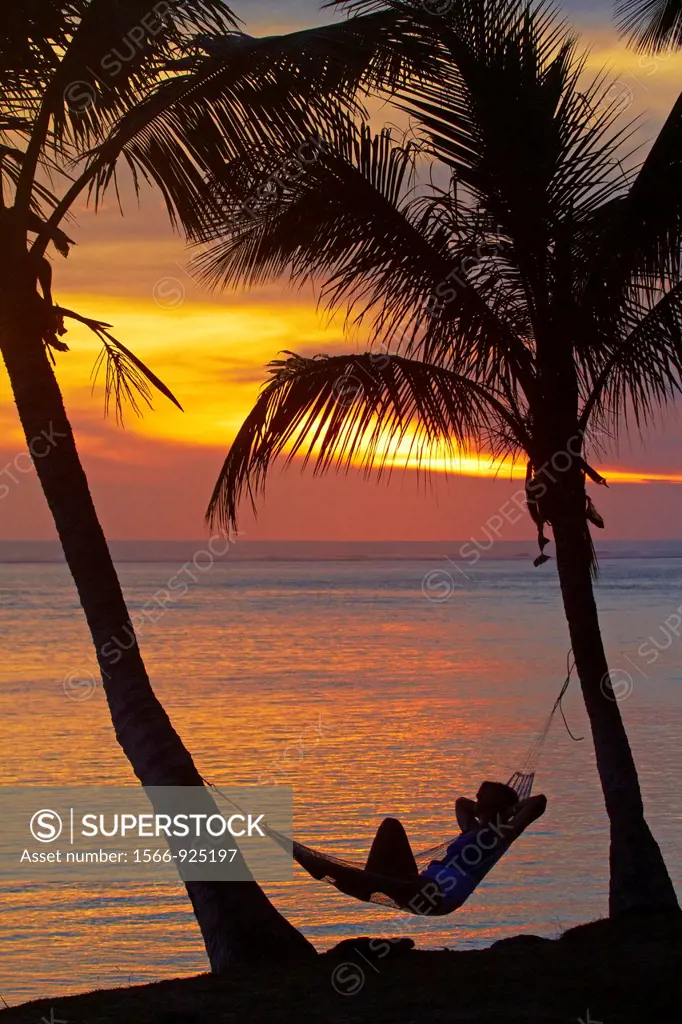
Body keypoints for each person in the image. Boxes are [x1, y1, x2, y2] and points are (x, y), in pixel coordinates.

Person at [361, 781, 547, 911]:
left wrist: (506, 811)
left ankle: (367, 881)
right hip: (417, 886)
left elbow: (539, 801)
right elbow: (461, 803)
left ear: (492, 803)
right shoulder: (471, 830)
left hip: (440, 895)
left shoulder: (502, 835)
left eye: (481, 796)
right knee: (390, 825)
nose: (476, 798)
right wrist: (486, 809)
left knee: (369, 877)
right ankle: (367, 882)